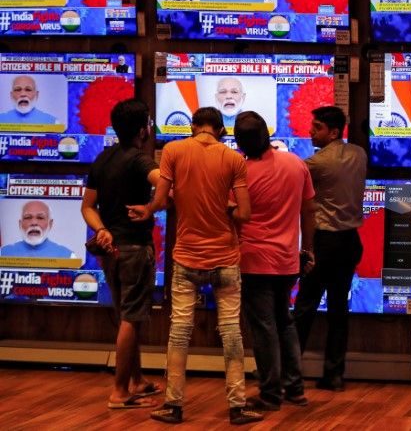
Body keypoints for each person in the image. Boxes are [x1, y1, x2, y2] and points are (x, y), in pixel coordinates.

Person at [128, 107, 262, 425]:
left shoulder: (174, 151)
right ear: (220, 129)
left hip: (186, 257)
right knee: (231, 332)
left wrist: (147, 209)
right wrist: (226, 206)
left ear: (193, 127)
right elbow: (244, 214)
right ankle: (237, 407)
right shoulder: (234, 159)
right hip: (225, 257)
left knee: (179, 332)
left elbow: (161, 201)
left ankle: (173, 405)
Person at [80, 99, 162, 410]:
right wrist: (152, 206)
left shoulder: (103, 158)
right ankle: (119, 392)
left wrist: (101, 229)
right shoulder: (141, 160)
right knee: (131, 318)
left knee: (128, 318)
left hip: (110, 250)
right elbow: (165, 184)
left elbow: (87, 207)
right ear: (142, 130)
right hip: (135, 250)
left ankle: (136, 381)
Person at [234, 111, 316, 411]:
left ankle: (270, 393)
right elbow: (309, 211)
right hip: (287, 259)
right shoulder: (296, 163)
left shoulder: (240, 174)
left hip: (252, 260)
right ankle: (295, 389)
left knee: (264, 327)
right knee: (285, 322)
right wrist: (308, 250)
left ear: (240, 143)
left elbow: (232, 216)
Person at [294, 106, 367, 392]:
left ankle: (289, 372)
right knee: (338, 310)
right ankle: (334, 375)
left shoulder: (315, 163)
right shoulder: (359, 154)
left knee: (304, 308)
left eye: (317, 127)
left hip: (324, 242)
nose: (310, 131)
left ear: (334, 132)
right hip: (351, 242)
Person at [0, 200, 76, 258]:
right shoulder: (3, 253)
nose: (34, 223)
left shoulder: (68, 256)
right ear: (20, 224)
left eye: (40, 218)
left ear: (50, 224)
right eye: (28, 217)